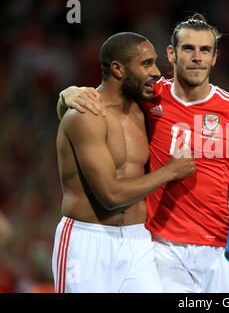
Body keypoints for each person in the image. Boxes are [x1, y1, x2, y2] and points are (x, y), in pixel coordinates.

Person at [58, 14, 229, 293]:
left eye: (205, 50)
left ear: (215, 58)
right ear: (172, 54)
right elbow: (103, 98)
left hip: (220, 251)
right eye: (189, 49)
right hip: (160, 249)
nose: (197, 57)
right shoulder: (149, 97)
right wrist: (67, 94)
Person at [53, 32, 195, 293]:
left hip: (138, 242)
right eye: (146, 64)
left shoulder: (146, 109)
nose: (155, 72)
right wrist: (171, 171)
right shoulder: (86, 115)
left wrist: (65, 95)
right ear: (117, 69)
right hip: (87, 243)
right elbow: (110, 194)